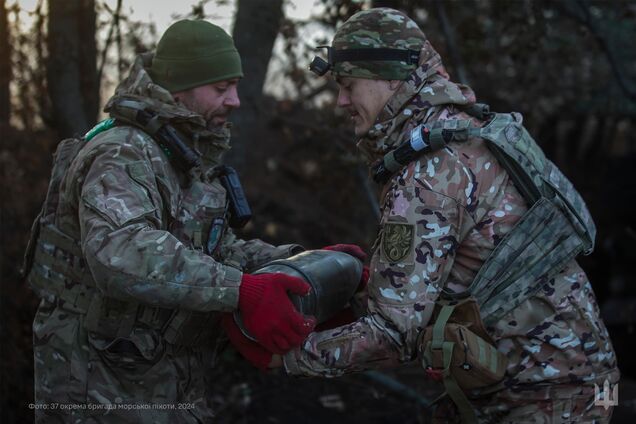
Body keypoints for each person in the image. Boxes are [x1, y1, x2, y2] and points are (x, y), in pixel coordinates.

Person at [226, 8, 620, 423]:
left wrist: (284, 358)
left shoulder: (428, 172)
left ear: (391, 80)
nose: (341, 101)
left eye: (348, 85)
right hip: (575, 382)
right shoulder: (470, 130)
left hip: (541, 398)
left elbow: (393, 334)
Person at [24, 19, 363, 423]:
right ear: (178, 87)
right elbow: (120, 251)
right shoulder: (122, 153)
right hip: (97, 384)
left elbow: (213, 250)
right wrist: (243, 290)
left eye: (235, 86)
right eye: (221, 89)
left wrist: (300, 264)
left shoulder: (183, 153)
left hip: (158, 379)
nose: (235, 100)